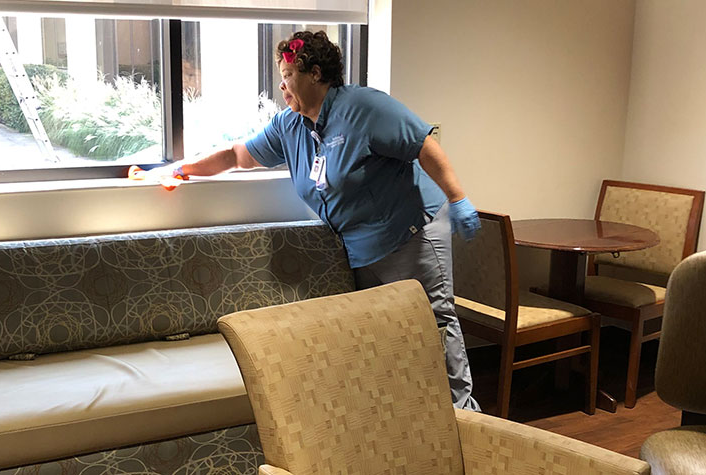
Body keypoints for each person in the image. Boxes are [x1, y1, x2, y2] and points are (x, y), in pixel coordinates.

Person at [149, 30, 482, 411]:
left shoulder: (364, 108)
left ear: (316, 74)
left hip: (411, 233)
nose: (281, 83)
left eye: (288, 73)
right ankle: (412, 414)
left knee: (434, 325)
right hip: (361, 249)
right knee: (388, 331)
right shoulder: (290, 127)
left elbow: (424, 146)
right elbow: (236, 156)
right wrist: (180, 168)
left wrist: (458, 198)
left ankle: (463, 417)